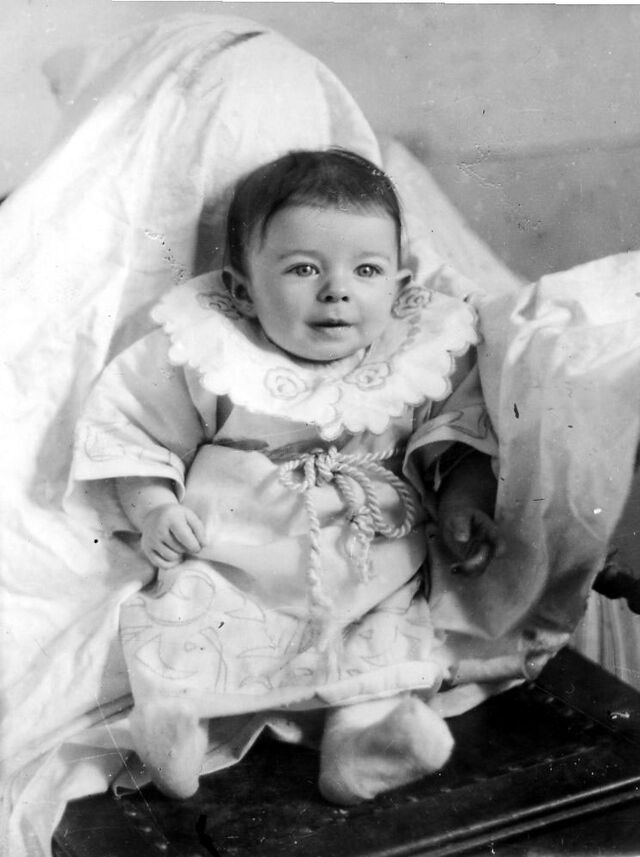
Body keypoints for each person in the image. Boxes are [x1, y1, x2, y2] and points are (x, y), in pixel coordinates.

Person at [71, 148, 503, 805]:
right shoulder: (210, 348)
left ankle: (360, 745)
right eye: (304, 268)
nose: (337, 290)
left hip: (371, 558)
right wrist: (154, 505)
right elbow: (135, 430)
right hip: (238, 552)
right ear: (243, 289)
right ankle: (177, 727)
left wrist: (464, 495)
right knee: (187, 610)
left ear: (399, 284)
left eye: (366, 270)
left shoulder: (415, 350)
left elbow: (457, 430)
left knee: (388, 634)